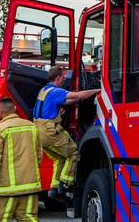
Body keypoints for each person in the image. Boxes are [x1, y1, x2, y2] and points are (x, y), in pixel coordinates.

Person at [32, 66, 99, 196]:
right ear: (57, 78)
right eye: (63, 77)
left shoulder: (44, 90)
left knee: (59, 158)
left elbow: (66, 101)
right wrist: (97, 90)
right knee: (73, 152)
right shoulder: (55, 91)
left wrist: (79, 99)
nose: (64, 79)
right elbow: (78, 94)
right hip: (50, 131)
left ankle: (54, 188)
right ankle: (65, 184)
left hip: (39, 133)